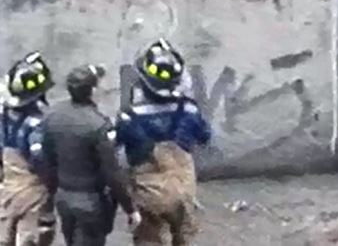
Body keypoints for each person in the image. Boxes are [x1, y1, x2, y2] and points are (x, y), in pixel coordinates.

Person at [116, 39, 212, 246]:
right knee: (185, 235)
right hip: (183, 191)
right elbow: (205, 137)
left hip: (149, 194)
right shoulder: (189, 109)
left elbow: (114, 149)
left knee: (148, 237)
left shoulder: (129, 117)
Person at [41, 64, 141, 246]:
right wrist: (130, 208)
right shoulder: (98, 125)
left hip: (63, 198)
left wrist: (48, 203)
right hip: (90, 202)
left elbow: (47, 161)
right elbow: (112, 173)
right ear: (92, 90)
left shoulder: (52, 115)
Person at [0, 52, 56, 246]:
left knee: (4, 237)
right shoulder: (36, 123)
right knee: (29, 238)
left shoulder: (5, 114)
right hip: (32, 192)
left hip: (7, 189)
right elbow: (39, 159)